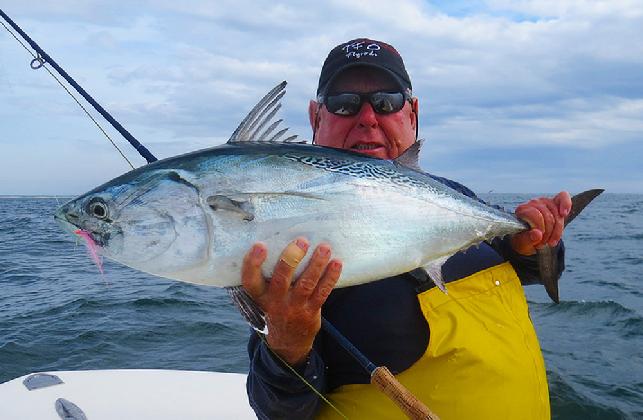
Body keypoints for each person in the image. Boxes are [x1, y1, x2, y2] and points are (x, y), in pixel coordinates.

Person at [242, 38, 571, 419]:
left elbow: (529, 268)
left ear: (413, 114)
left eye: (387, 102)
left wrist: (533, 243)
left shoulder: (453, 196)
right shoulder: (292, 234)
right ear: (317, 118)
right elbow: (277, 410)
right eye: (344, 104)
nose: (367, 118)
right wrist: (288, 346)